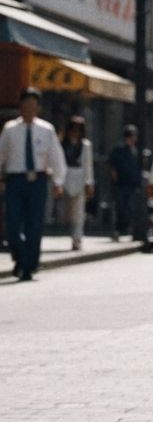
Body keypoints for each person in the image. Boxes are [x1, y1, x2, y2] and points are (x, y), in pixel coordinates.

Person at [0, 87, 66, 281]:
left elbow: (56, 157)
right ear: (20, 106)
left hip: (38, 180)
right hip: (15, 179)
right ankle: (21, 256)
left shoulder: (46, 130)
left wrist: (58, 182)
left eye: (33, 105)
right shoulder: (10, 129)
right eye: (26, 105)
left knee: (34, 224)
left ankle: (29, 265)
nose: (29, 109)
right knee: (12, 223)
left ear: (38, 107)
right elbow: (1, 154)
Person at [60, 115, 94, 251]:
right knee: (64, 212)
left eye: (78, 130)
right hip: (65, 179)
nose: (75, 132)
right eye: (73, 129)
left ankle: (77, 238)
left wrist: (89, 183)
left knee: (78, 212)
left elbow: (88, 165)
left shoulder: (85, 145)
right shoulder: (62, 144)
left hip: (79, 180)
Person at [109, 124, 143, 241]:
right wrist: (115, 178)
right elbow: (112, 164)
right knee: (120, 208)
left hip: (131, 184)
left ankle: (129, 229)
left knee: (130, 208)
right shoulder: (119, 149)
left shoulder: (135, 150)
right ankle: (117, 230)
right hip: (121, 183)